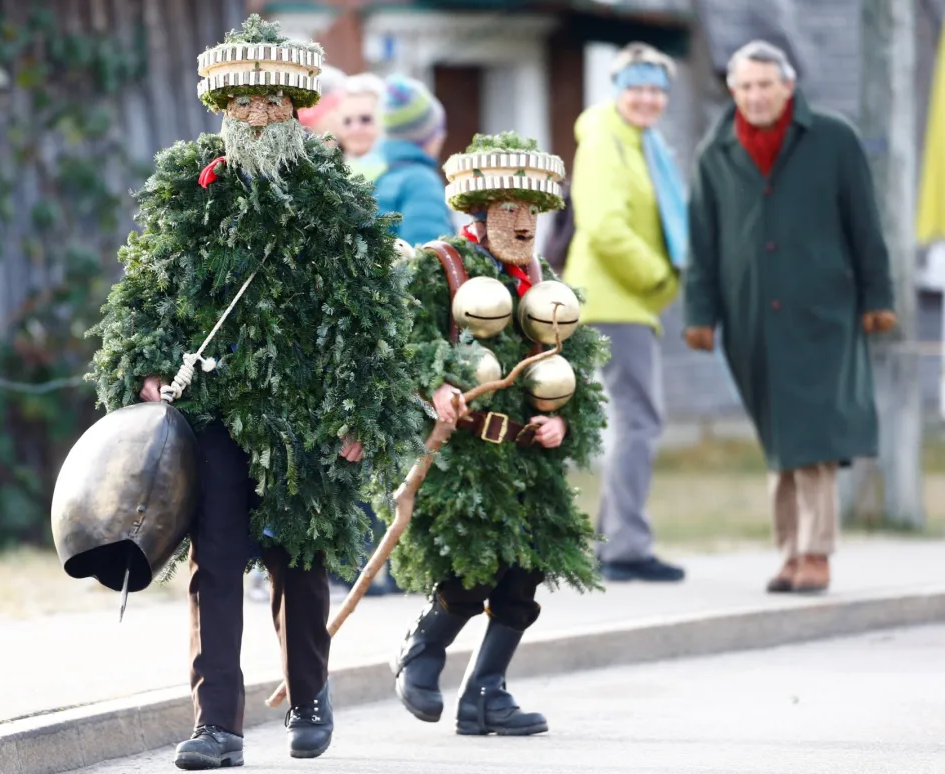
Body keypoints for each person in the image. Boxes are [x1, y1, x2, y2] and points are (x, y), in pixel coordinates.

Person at [86, 17, 423, 768]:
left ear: (296, 107)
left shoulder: (332, 196)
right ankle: (218, 726)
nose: (258, 116)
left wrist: (360, 410)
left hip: (306, 410)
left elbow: (371, 312)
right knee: (217, 559)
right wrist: (145, 366)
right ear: (223, 107)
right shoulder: (190, 191)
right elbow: (147, 291)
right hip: (212, 410)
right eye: (243, 104)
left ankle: (309, 694)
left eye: (272, 103)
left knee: (298, 560)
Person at [384, 132, 608, 737]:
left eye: (530, 210)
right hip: (466, 452)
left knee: (524, 572)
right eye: (508, 209)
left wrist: (564, 417)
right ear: (480, 213)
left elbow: (576, 366)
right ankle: (420, 652)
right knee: (472, 566)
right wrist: (434, 385)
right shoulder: (443, 266)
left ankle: (487, 693)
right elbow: (407, 340)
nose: (522, 222)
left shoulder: (547, 284)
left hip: (528, 455)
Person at [682, 40, 897, 594]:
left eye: (764, 85)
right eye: (745, 86)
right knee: (779, 435)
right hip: (750, 315)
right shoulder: (716, 152)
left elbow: (866, 226)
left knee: (814, 434)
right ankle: (790, 552)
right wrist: (700, 312)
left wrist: (879, 298)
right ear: (733, 91)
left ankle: (815, 552)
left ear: (788, 87)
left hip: (823, 309)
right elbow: (702, 244)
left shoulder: (833, 138)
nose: (755, 96)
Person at [562, 42, 686, 583]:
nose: (647, 98)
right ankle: (626, 546)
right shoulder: (605, 138)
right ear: (618, 90)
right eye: (636, 87)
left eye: (657, 89)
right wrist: (657, 275)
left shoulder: (645, 144)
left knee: (633, 419)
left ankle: (616, 540)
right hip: (614, 299)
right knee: (640, 420)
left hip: (629, 300)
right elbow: (604, 223)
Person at [371, 74, 453, 246]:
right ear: (427, 136)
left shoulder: (378, 174)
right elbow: (429, 258)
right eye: (439, 130)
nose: (442, 137)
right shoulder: (421, 182)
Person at [336, 72, 385, 176]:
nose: (355, 128)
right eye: (347, 121)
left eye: (365, 119)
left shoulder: (397, 170)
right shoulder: (326, 171)